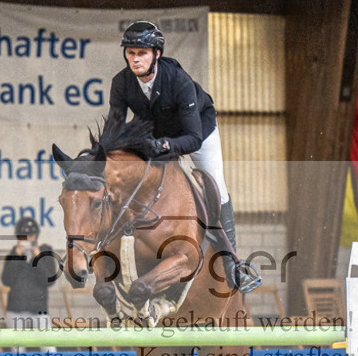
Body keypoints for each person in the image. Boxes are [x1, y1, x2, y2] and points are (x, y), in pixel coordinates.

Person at [105, 20, 261, 293]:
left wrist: (163, 146)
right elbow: (113, 131)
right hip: (156, 134)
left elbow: (192, 138)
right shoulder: (121, 83)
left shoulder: (179, 81)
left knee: (217, 187)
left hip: (198, 131)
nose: (135, 58)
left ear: (157, 54)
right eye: (131, 53)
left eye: (142, 52)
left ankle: (233, 264)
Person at [1, 216, 60, 352]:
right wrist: (17, 256)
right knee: (17, 350)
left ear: (36, 236)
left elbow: (49, 280)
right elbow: (6, 280)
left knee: (49, 349)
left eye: (31, 235)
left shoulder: (45, 251)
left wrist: (38, 258)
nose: (28, 239)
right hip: (16, 308)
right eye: (24, 236)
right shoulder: (13, 253)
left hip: (38, 308)